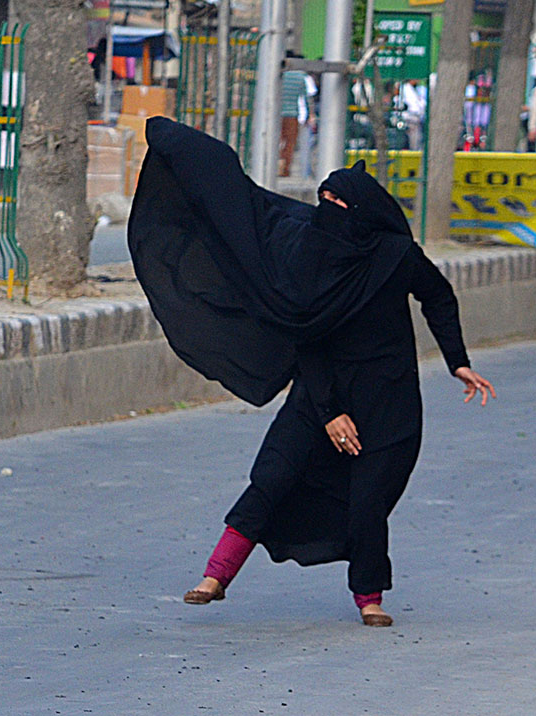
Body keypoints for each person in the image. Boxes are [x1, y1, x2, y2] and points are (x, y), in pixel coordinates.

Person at [128, 118, 495, 628]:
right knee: (272, 478)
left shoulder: (394, 257)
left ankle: (369, 598)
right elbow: (309, 338)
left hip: (389, 399)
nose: (327, 216)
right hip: (320, 393)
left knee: (368, 499)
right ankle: (215, 577)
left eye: (337, 206)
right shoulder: (310, 257)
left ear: (362, 213)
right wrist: (330, 414)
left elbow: (437, 294)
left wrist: (458, 360)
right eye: (323, 203)